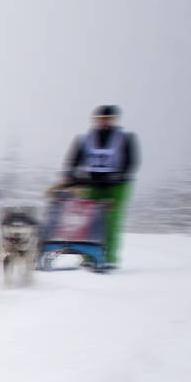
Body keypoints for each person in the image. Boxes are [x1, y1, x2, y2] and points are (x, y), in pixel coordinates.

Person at [62, 104, 139, 270]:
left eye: (108, 119)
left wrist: (121, 175)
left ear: (114, 120)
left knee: (111, 222)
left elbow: (131, 162)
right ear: (96, 120)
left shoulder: (125, 138)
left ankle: (109, 257)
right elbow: (73, 160)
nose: (104, 121)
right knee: (88, 222)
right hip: (92, 183)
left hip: (116, 185)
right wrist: (70, 175)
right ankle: (88, 257)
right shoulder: (84, 139)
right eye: (101, 119)